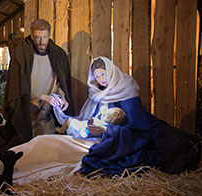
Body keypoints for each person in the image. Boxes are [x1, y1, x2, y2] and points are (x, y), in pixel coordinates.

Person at [52, 56, 200, 177]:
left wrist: (106, 130)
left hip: (113, 141)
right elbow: (85, 118)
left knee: (179, 144)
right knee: (54, 140)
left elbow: (137, 130)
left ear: (110, 71)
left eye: (103, 74)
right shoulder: (96, 94)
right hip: (94, 136)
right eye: (97, 76)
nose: (101, 79)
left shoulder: (125, 90)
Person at [0, 19, 74, 151]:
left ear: (49, 35)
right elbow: (16, 86)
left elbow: (59, 82)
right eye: (38, 37)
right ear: (32, 36)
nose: (41, 42)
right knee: (22, 147)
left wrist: (63, 97)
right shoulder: (21, 53)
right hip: (26, 109)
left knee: (47, 148)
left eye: (45, 37)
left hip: (46, 112)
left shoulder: (58, 55)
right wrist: (40, 96)